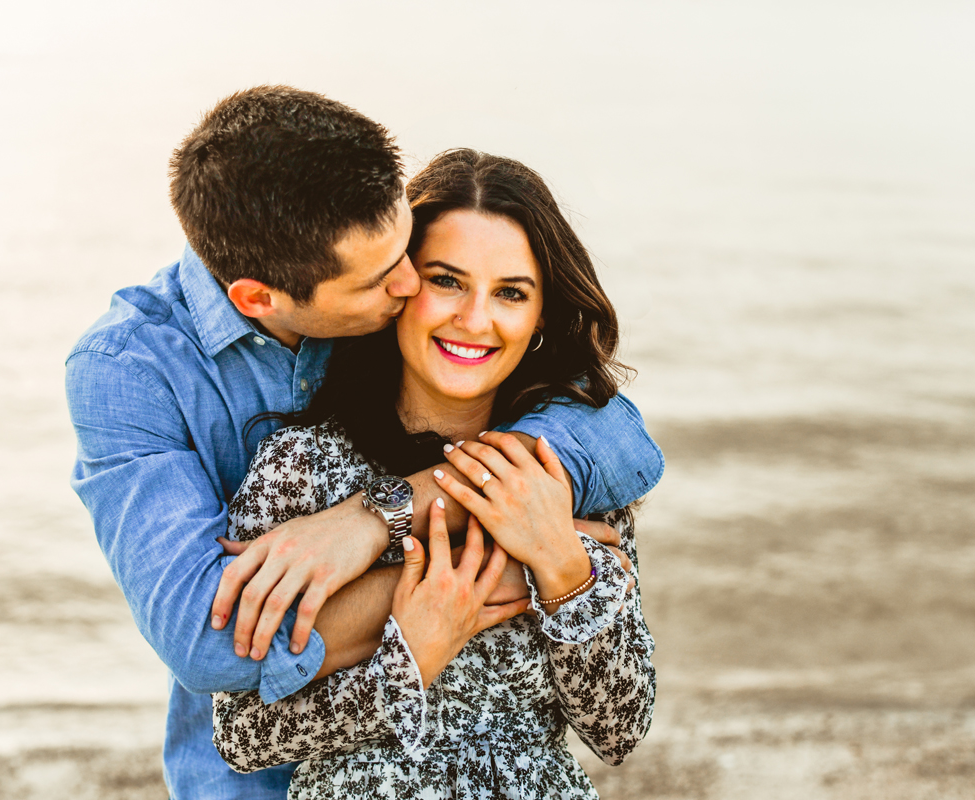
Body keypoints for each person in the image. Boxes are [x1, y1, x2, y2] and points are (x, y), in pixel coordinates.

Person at [66, 87, 661, 800]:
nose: (412, 286)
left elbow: (622, 436)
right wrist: (479, 580)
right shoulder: (150, 379)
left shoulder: (545, 465)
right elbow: (210, 651)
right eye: (422, 279)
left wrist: (547, 563)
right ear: (259, 300)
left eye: (511, 293)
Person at [212, 149, 659, 799]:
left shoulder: (562, 474)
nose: (475, 319)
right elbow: (244, 735)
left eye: (510, 293)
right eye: (447, 280)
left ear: (539, 316)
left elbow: (620, 729)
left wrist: (564, 569)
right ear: (399, 286)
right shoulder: (301, 463)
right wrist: (411, 652)